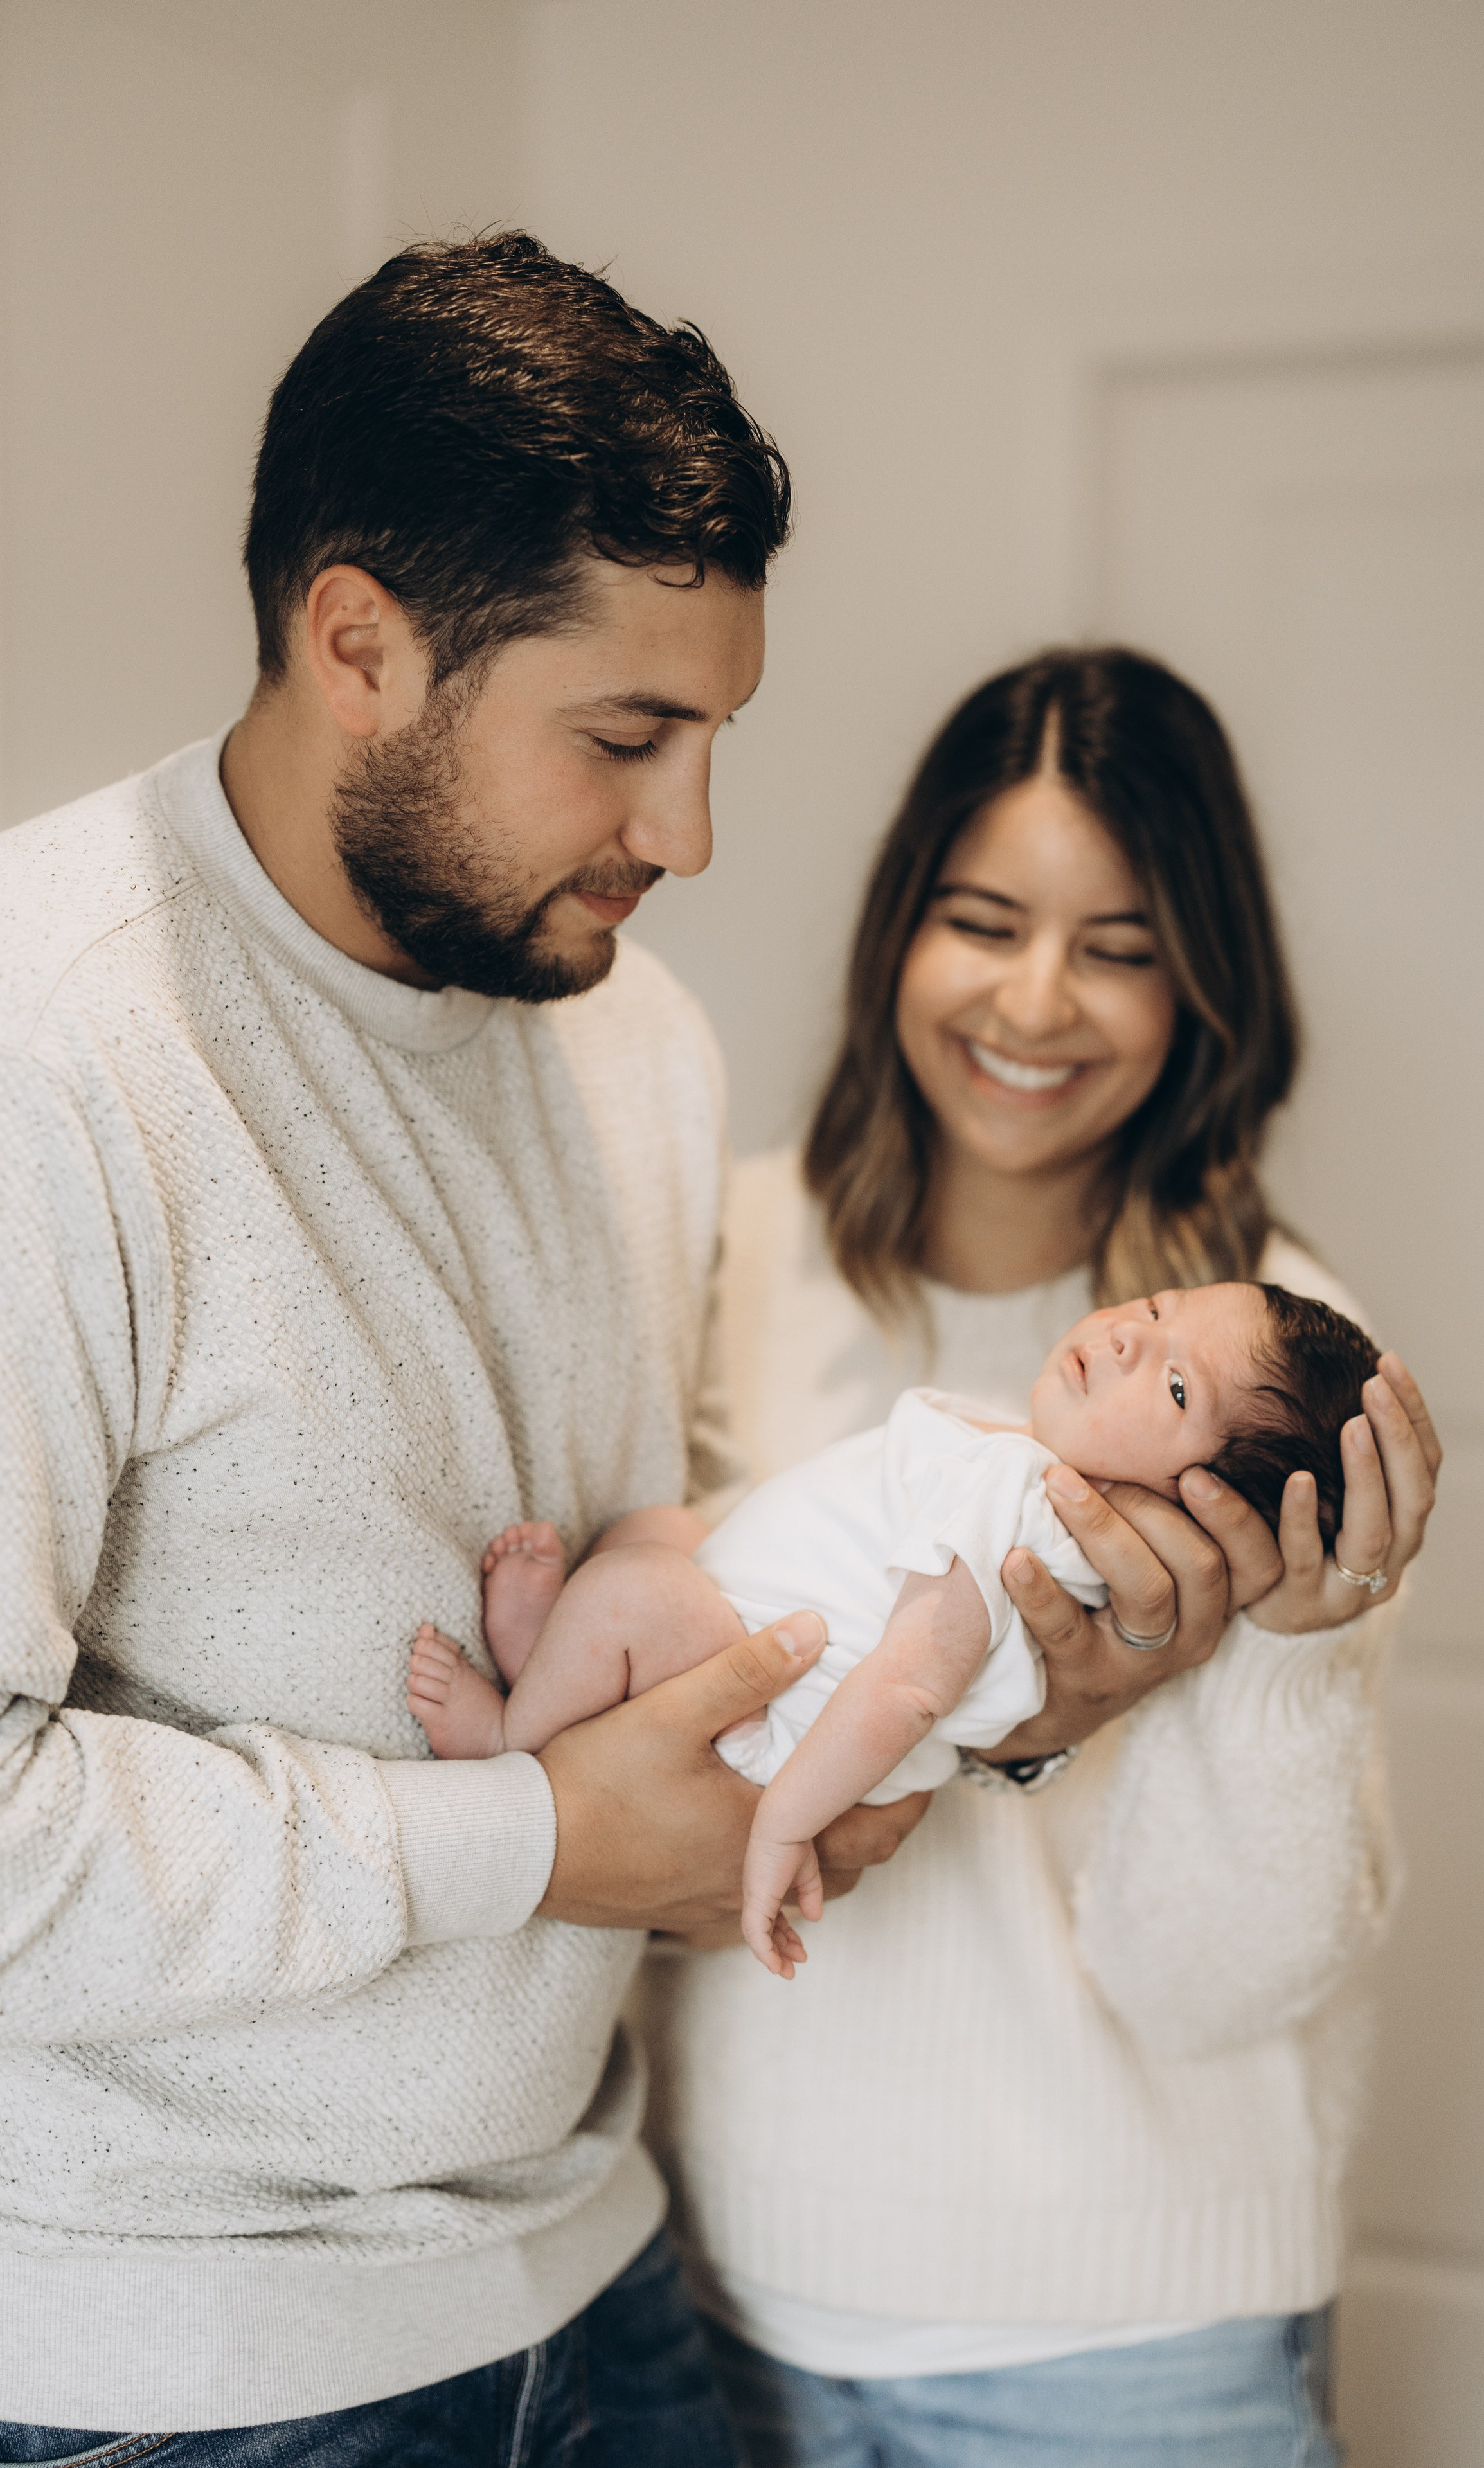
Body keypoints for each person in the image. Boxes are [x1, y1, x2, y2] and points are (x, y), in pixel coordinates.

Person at [0, 233, 949, 2458]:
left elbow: (669, 1585)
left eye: (713, 737)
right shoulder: (51, 1053)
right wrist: (539, 1840)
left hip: (591, 2274)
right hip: (178, 2378)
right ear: (359, 641)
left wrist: (892, 1735)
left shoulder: (640, 1041)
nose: (689, 837)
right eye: (625, 738)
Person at [638, 648, 1443, 2467]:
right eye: (983, 919)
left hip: (1129, 2345)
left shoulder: (1279, 1372)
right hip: (717, 2302)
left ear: (1206, 982)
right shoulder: (727, 1256)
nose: (1034, 1001)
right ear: (897, 931)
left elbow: (1223, 1980)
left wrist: (1293, 1660)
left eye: (1123, 945)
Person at [408, 1282, 1377, 1978]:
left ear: (1201, 1507)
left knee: (633, 1592)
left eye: (1176, 1392)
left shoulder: (1021, 1505)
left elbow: (911, 1684)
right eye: (1160, 1310)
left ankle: (515, 1739)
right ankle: (561, 1667)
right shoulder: (1030, 1478)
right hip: (760, 1647)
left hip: (778, 1726)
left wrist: (780, 1825)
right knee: (661, 1536)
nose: (1129, 1340)